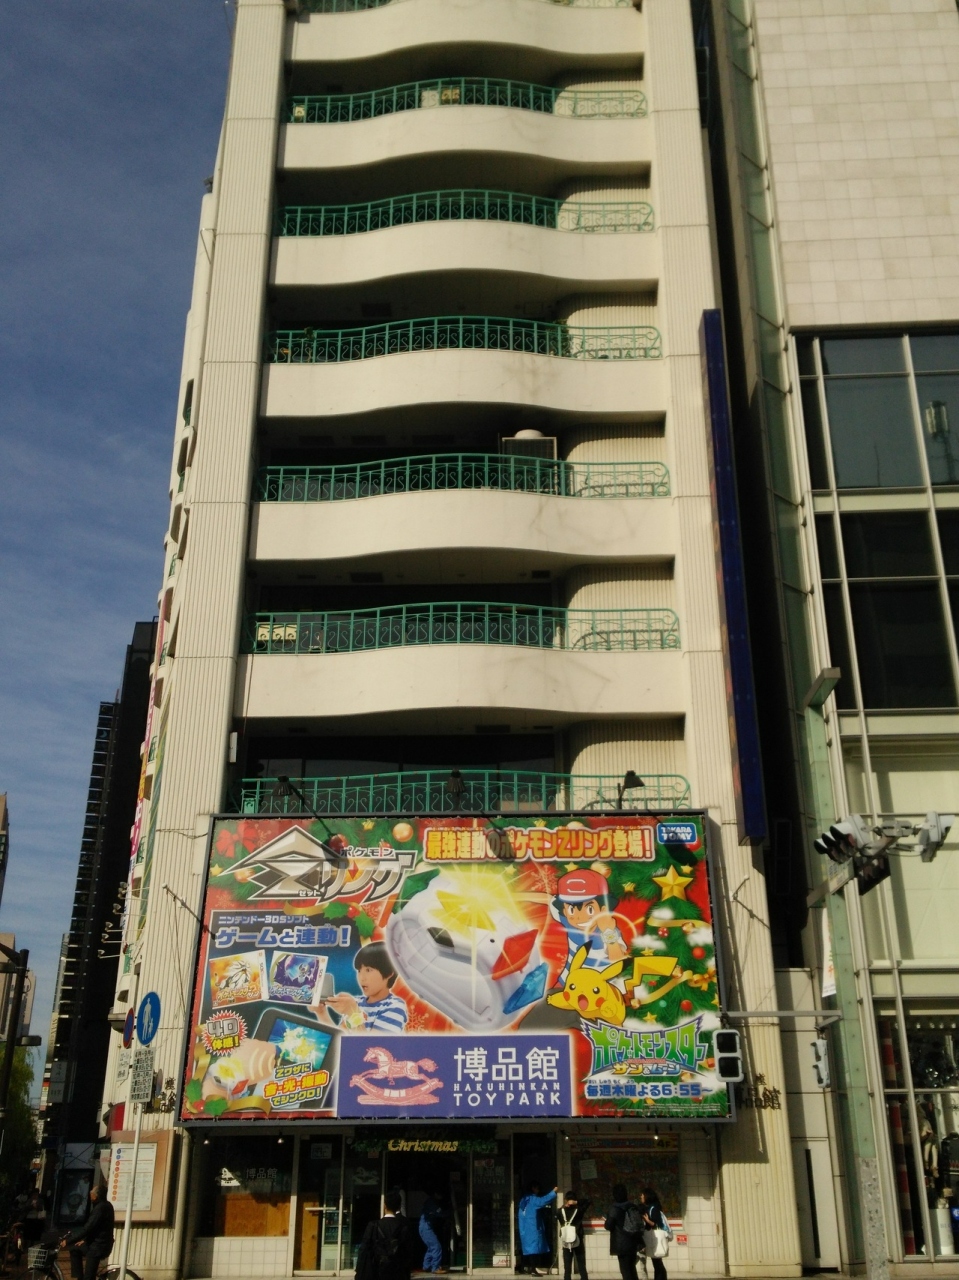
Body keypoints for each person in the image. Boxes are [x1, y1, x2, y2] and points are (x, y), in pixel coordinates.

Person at [550, 870, 627, 985]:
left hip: (601, 987)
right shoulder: (567, 921)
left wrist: (607, 931)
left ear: (603, 909)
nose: (580, 918)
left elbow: (617, 960)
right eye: (571, 910)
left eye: (590, 909)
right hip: (569, 982)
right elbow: (547, 899)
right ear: (565, 911)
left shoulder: (610, 933)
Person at [314, 942, 408, 1032]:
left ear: (389, 973)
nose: (361, 978)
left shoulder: (395, 1007)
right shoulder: (356, 1002)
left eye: (368, 970)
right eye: (359, 971)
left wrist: (353, 1012)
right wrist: (321, 1012)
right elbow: (339, 1039)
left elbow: (372, 1043)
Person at [356, 1189, 415, 1280]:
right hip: (397, 1273)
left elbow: (363, 1250)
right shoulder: (404, 1227)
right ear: (399, 1207)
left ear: (384, 1206)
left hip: (377, 1272)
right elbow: (408, 1255)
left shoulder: (373, 1226)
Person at [62, 1184, 115, 1280]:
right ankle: (79, 1277)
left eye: (91, 1192)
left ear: (96, 1196)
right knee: (75, 1249)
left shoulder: (100, 1208)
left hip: (98, 1247)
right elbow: (97, 1228)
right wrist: (85, 1240)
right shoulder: (105, 1205)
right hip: (96, 1243)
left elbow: (87, 1228)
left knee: (89, 1277)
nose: (90, 1193)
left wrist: (68, 1241)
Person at [518, 1182, 558, 1275]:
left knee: (527, 1249)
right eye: (538, 1188)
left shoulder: (524, 1200)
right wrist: (554, 1191)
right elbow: (543, 1201)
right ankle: (533, 1269)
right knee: (533, 1249)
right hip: (532, 1228)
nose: (538, 1191)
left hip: (524, 1229)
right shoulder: (533, 1199)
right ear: (533, 1188)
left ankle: (524, 1267)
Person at [604, 1184, 644, 1280]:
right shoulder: (632, 1206)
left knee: (625, 1271)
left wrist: (606, 1221)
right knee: (632, 1269)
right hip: (633, 1242)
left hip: (621, 1244)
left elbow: (608, 1226)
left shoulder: (614, 1209)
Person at [558, 1191, 590, 1280]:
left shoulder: (560, 1211)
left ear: (565, 1200)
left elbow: (557, 1215)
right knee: (581, 1263)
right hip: (578, 1238)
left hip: (566, 1240)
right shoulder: (579, 1211)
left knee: (567, 1265)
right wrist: (576, 1202)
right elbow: (588, 1201)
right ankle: (584, 1278)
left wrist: (564, 1205)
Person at [639, 1189, 670, 1280]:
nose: (641, 1197)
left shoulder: (653, 1208)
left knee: (657, 1263)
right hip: (653, 1238)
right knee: (657, 1262)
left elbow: (656, 1224)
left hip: (655, 1237)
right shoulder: (652, 1207)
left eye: (642, 1195)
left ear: (647, 1196)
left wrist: (647, 1220)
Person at [419, 1191, 447, 1274]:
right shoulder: (431, 1203)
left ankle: (427, 1266)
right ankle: (435, 1267)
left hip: (425, 1227)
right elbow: (440, 1213)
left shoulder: (430, 1202)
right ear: (436, 1194)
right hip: (426, 1227)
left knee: (431, 1247)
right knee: (436, 1247)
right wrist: (450, 1212)